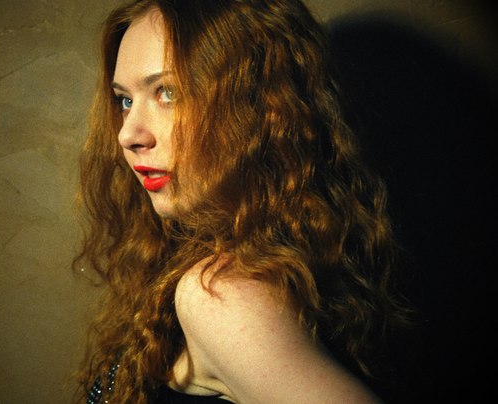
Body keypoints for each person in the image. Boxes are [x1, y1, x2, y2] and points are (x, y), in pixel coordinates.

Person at [74, 0, 412, 402]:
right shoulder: (267, 251)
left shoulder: (220, 295)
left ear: (259, 106)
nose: (128, 135)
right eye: (125, 100)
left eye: (168, 92)